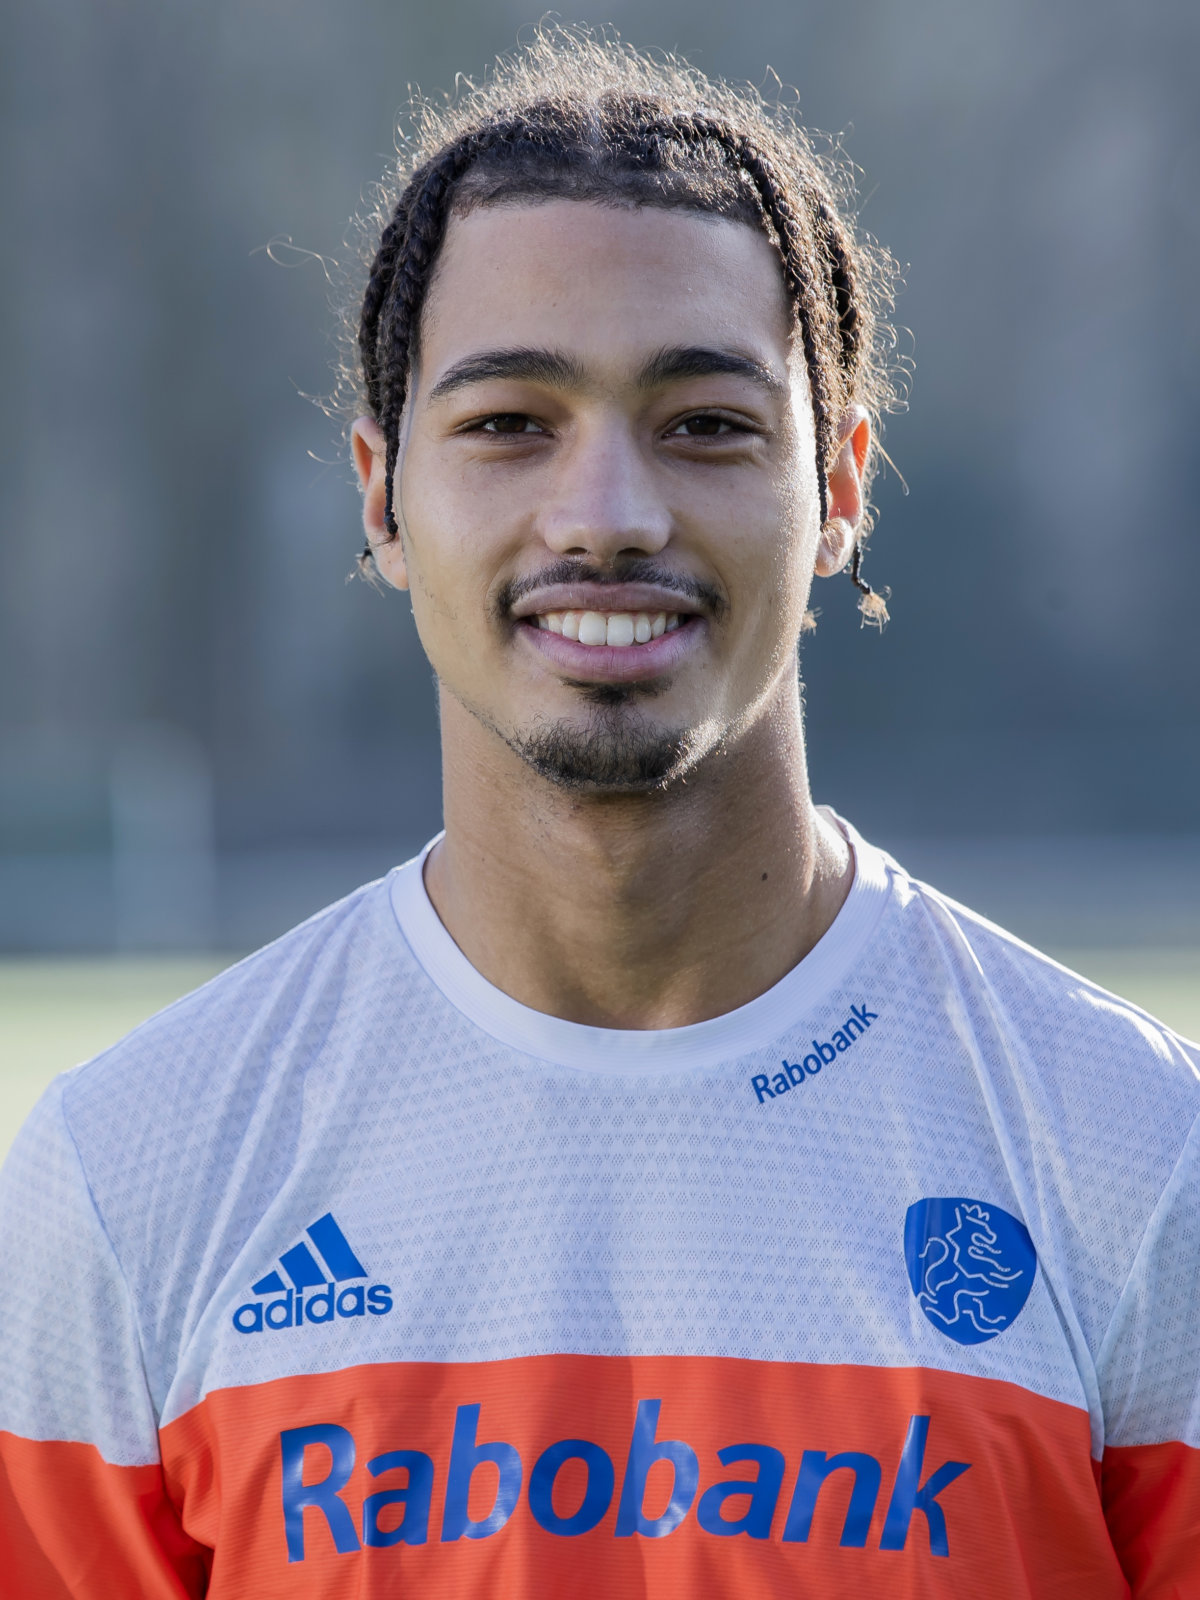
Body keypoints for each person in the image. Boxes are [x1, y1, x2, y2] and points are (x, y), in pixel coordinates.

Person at [1, 27, 1196, 1599]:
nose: (610, 516)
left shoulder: (1139, 1157)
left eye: (707, 423)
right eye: (509, 423)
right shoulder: (132, 1176)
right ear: (381, 496)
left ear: (839, 487)